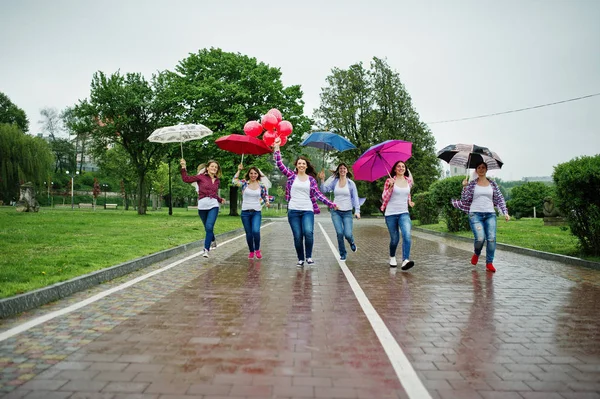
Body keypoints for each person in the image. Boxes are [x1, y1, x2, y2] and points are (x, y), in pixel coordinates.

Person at [273, 137, 337, 267]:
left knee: (308, 232)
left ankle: (309, 256)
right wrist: (277, 147)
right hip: (293, 210)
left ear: (306, 166)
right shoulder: (291, 176)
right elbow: (280, 164)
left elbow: (319, 195)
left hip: (307, 210)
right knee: (297, 236)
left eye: (303, 163)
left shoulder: (311, 180)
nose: (301, 165)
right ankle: (300, 259)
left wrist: (331, 204)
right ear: (296, 166)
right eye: (299, 163)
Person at [451, 161, 510, 273]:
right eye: (479, 167)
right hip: (475, 214)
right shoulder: (472, 184)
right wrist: (464, 187)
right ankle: (477, 253)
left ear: (486, 169)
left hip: (490, 214)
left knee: (491, 239)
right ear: (476, 170)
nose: (481, 169)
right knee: (480, 238)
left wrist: (505, 212)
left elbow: (499, 199)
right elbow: (465, 200)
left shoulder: (492, 184)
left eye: (483, 167)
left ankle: (489, 263)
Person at [180, 158, 226, 258]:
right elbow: (186, 179)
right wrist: (183, 167)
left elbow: (213, 194)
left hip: (213, 205)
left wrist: (219, 199)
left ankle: (206, 249)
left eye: (216, 167)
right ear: (207, 168)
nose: (214, 168)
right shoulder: (201, 177)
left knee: (209, 226)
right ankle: (213, 239)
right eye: (212, 166)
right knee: (207, 228)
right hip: (202, 206)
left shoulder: (217, 180)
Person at [318, 164, 360, 261]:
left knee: (348, 234)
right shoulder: (334, 182)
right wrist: (322, 180)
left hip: (347, 212)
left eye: (344, 168)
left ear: (347, 170)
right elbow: (324, 190)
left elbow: (355, 198)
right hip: (336, 211)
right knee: (339, 233)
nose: (342, 170)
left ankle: (352, 242)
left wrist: (357, 211)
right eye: (340, 168)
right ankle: (343, 253)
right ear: (338, 171)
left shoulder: (351, 183)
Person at [380, 160, 415, 270]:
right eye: (398, 166)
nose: (401, 168)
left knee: (407, 235)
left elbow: (407, 193)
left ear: (405, 169)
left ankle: (405, 260)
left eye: (403, 166)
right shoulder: (389, 180)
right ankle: (392, 256)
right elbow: (384, 197)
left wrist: (410, 201)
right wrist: (390, 187)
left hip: (404, 213)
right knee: (395, 239)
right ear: (395, 169)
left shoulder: (408, 181)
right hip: (391, 214)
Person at [232, 163, 270, 259]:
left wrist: (267, 202)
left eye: (255, 173)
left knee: (255, 231)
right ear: (249, 174)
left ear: (258, 175)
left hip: (256, 211)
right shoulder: (245, 183)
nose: (253, 175)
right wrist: (239, 170)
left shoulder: (261, 185)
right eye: (251, 173)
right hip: (245, 212)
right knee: (249, 233)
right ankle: (251, 251)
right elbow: (234, 181)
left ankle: (257, 249)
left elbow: (265, 195)